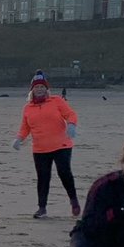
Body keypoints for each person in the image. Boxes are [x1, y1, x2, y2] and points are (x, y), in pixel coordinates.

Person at [12, 71, 80, 218]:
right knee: (43, 177)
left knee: (64, 172)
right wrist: (19, 139)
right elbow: (25, 127)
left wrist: (72, 125)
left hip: (61, 145)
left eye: (42, 86)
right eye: (37, 87)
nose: (40, 89)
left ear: (46, 88)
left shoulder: (57, 101)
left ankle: (73, 201)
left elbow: (70, 114)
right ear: (32, 90)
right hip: (40, 148)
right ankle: (42, 208)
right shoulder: (28, 108)